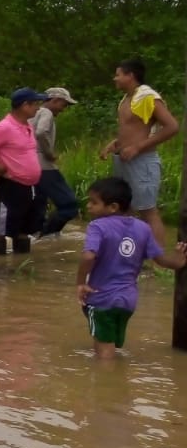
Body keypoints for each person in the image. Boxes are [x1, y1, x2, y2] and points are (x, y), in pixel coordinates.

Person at [76, 176, 187, 359]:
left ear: (113, 207)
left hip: (101, 299)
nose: (88, 206)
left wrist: (80, 283)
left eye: (94, 202)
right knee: (112, 345)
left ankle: (106, 384)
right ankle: (119, 383)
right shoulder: (143, 228)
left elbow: (89, 255)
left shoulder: (97, 226)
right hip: (128, 302)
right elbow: (160, 259)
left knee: (104, 351)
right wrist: (178, 261)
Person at [100, 58, 179, 247]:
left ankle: (157, 261)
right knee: (125, 209)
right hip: (124, 161)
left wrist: (138, 147)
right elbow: (133, 129)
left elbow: (172, 127)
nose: (115, 79)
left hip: (142, 162)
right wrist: (116, 143)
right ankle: (131, 254)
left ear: (130, 75)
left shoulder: (147, 96)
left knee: (148, 211)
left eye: (118, 74)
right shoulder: (127, 99)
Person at [0, 88, 49, 255]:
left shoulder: (26, 125)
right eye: (35, 104)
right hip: (11, 185)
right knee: (0, 229)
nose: (38, 108)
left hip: (30, 186)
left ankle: (21, 267)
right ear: (24, 106)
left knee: (24, 228)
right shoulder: (5, 127)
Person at [30, 86, 80, 238]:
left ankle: (37, 236)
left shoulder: (32, 113)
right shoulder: (46, 112)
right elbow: (41, 132)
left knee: (39, 206)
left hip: (30, 165)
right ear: (55, 100)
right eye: (64, 105)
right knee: (69, 205)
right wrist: (49, 153)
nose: (64, 109)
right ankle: (48, 235)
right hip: (44, 166)